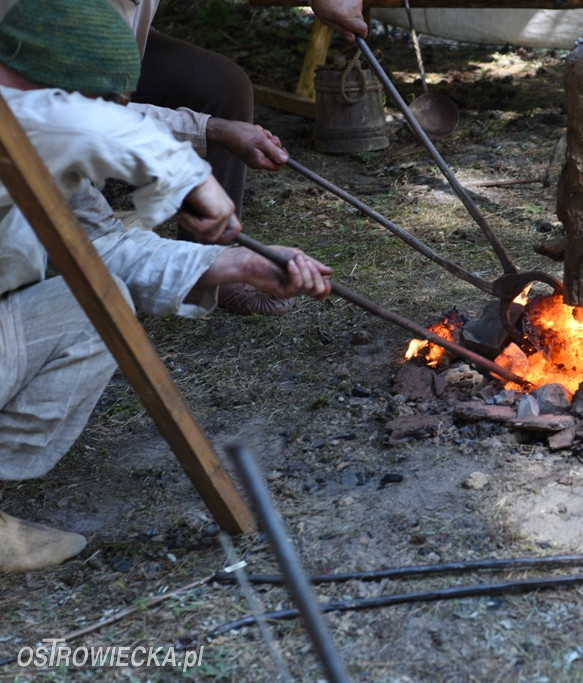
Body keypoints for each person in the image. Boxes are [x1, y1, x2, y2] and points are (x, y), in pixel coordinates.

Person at [0, 0, 333, 573]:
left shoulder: (46, 140)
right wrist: (192, 178)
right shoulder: (35, 124)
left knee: (96, 306)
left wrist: (234, 265)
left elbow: (102, 248)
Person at [107, 0, 367, 315]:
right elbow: (82, 116)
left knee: (222, 86)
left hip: (124, 44)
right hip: (65, 80)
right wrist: (211, 129)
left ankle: (209, 267)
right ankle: (201, 269)